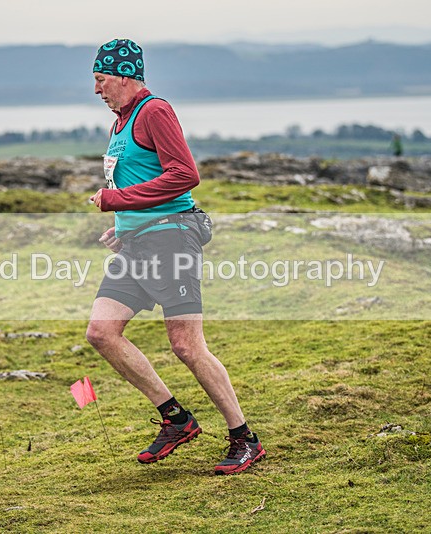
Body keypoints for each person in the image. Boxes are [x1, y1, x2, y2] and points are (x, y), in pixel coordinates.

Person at [86, 38, 265, 475]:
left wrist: (118, 199)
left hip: (172, 240)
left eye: (101, 79)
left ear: (126, 75)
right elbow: (148, 182)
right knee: (101, 332)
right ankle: (176, 419)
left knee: (186, 345)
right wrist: (122, 226)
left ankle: (244, 438)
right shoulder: (120, 121)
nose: (97, 89)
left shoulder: (154, 111)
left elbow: (185, 175)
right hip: (138, 243)